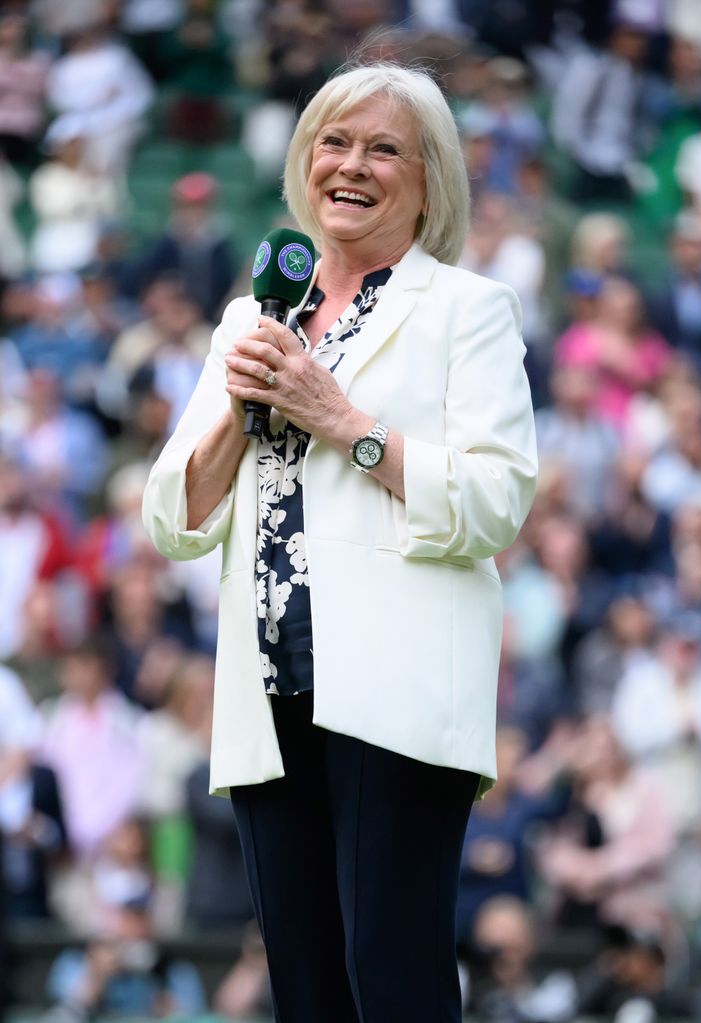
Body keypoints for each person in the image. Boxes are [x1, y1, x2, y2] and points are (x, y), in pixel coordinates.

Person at [142, 62, 537, 1023]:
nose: (351, 165)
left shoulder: (463, 308)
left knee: (389, 979)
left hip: (397, 692)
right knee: (307, 992)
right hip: (266, 691)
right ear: (302, 162)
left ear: (430, 178)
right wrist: (240, 411)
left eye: (383, 147)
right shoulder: (251, 317)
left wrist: (344, 420)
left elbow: (497, 499)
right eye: (333, 141)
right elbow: (173, 517)